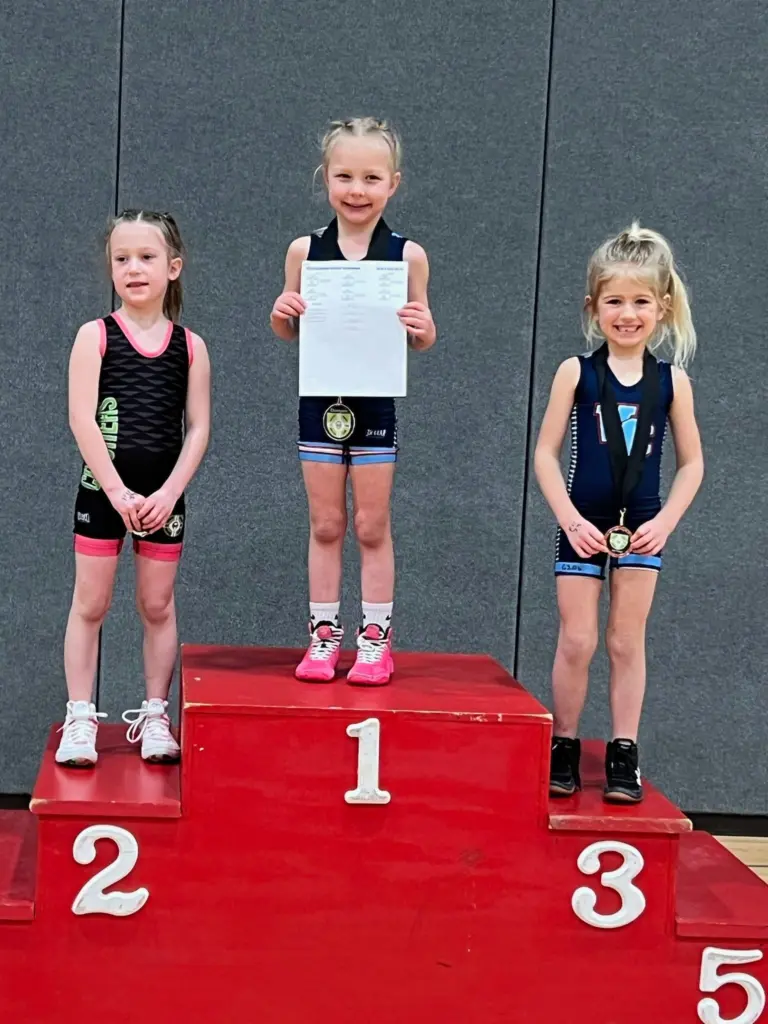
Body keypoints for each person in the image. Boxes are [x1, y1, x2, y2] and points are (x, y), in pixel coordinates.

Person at [534, 223, 703, 803]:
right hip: (583, 522)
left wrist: (666, 522)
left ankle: (623, 752)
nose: (627, 314)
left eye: (639, 302)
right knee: (577, 640)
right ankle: (563, 744)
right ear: (593, 307)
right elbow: (545, 453)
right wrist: (569, 519)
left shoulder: (672, 381)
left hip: (644, 526)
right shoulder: (576, 372)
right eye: (614, 302)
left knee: (626, 641)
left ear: (662, 307)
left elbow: (692, 464)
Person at [270, 117, 436, 685]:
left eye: (371, 178)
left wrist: (423, 328)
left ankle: (375, 641)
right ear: (325, 178)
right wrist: (281, 314)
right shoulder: (304, 250)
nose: (357, 190)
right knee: (324, 523)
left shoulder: (408, 255)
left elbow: (421, 335)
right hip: (320, 402)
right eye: (344, 176)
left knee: (370, 523)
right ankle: (322, 637)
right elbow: (289, 329)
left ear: (393, 183)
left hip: (374, 404)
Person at [56, 209, 211, 767]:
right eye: (121, 258)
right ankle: (80, 716)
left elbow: (198, 428)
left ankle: (155, 715)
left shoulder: (190, 346)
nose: (133, 268)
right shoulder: (94, 336)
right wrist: (117, 492)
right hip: (103, 493)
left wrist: (168, 493)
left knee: (157, 604)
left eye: (146, 257)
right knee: (91, 602)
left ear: (173, 267)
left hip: (163, 499)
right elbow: (82, 418)